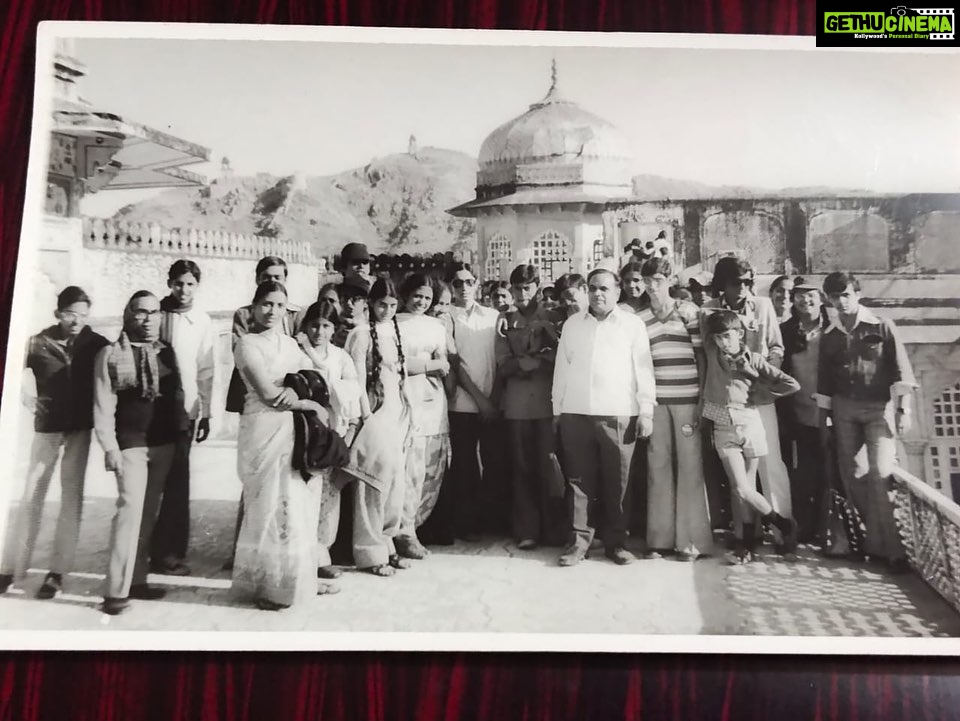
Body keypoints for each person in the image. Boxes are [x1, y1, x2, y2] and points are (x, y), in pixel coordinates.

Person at [232, 281, 335, 610]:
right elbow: (269, 394)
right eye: (266, 304)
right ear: (253, 308)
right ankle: (269, 586)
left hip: (292, 433)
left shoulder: (291, 344)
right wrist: (308, 405)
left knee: (296, 503)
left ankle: (299, 578)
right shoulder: (246, 344)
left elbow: (312, 380)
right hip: (263, 430)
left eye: (279, 305)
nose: (272, 311)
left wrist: (304, 396)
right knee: (269, 506)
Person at [0, 287, 109, 599]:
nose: (76, 321)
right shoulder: (36, 342)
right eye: (71, 314)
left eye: (83, 315)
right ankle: (10, 569)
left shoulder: (96, 343)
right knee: (30, 496)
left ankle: (57, 574)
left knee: (70, 498)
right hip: (47, 428)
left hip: (80, 430)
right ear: (58, 313)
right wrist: (24, 395)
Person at [552, 267, 657, 567]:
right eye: (593, 288)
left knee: (619, 483)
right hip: (576, 412)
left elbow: (644, 370)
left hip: (619, 413)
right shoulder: (573, 324)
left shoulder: (632, 325)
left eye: (605, 289)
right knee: (578, 482)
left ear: (617, 292)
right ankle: (578, 543)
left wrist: (646, 410)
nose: (598, 294)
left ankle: (617, 544)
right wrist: (556, 409)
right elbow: (562, 367)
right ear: (586, 290)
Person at [815, 272, 917, 573]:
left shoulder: (882, 326)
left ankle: (895, 552)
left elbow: (901, 371)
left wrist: (904, 409)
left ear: (857, 294)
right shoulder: (830, 334)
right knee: (854, 476)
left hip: (878, 408)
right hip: (843, 410)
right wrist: (824, 423)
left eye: (846, 294)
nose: (841, 301)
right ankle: (875, 544)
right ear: (828, 300)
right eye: (835, 296)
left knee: (881, 472)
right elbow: (824, 382)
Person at [93, 292, 188, 615]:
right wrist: (109, 447)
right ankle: (114, 592)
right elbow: (103, 406)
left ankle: (137, 581)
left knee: (148, 515)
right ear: (128, 314)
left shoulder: (166, 351)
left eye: (154, 313)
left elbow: (177, 396)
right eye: (141, 313)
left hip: (163, 444)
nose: (148, 319)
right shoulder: (110, 354)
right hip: (130, 444)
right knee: (129, 512)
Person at [703, 257, 793, 550]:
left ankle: (781, 532)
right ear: (722, 284)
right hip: (727, 404)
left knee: (770, 465)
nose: (742, 288)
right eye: (735, 282)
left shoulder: (763, 306)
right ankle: (745, 535)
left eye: (747, 282)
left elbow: (776, 347)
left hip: (758, 398)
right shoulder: (709, 312)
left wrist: (763, 379)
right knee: (738, 476)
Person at [637, 257, 713, 561]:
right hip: (657, 403)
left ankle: (691, 542)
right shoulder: (640, 318)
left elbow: (702, 358)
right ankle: (659, 540)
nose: (651, 286)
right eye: (647, 281)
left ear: (669, 281)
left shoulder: (689, 312)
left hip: (688, 401)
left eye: (657, 280)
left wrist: (702, 400)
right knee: (657, 468)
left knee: (691, 468)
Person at [341, 278, 413, 576]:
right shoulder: (360, 335)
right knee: (372, 483)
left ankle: (388, 542)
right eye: (382, 304)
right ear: (370, 303)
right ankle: (370, 552)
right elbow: (355, 379)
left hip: (397, 413)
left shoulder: (396, 333)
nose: (387, 310)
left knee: (396, 483)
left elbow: (402, 376)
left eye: (393, 305)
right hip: (373, 414)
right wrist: (366, 416)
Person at [149, 260, 216, 577]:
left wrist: (206, 412)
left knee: (177, 482)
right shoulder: (154, 316)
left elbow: (206, 370)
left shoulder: (202, 322)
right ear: (169, 284)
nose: (184, 290)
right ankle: (142, 548)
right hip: (151, 410)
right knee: (149, 482)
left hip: (184, 412)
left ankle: (170, 552)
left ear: (197, 286)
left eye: (190, 284)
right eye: (178, 283)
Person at [496, 264, 565, 550]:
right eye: (517, 288)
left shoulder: (552, 317)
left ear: (537, 286)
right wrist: (531, 362)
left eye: (527, 287)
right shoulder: (505, 320)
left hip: (547, 403)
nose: (522, 294)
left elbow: (561, 355)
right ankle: (527, 530)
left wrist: (533, 361)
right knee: (522, 467)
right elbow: (502, 364)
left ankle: (553, 530)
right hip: (517, 405)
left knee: (549, 466)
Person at [294, 299, 362, 581]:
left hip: (334, 432)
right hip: (303, 432)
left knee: (329, 497)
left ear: (334, 329)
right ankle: (300, 556)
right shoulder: (298, 354)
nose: (319, 332)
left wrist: (347, 434)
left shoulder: (340, 357)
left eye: (325, 326)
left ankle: (322, 555)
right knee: (301, 495)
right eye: (314, 325)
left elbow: (354, 393)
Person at [394, 274, 452, 559]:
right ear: (406, 295)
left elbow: (446, 364)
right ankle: (403, 530)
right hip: (405, 398)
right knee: (408, 467)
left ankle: (418, 525)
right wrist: (429, 365)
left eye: (427, 298)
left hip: (434, 401)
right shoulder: (393, 323)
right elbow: (395, 363)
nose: (422, 302)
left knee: (431, 464)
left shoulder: (436, 326)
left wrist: (433, 366)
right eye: (417, 295)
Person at [443, 262, 501, 541]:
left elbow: (501, 358)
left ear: (477, 283)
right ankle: (465, 523)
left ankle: (492, 521)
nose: (463, 287)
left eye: (468, 281)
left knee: (494, 461)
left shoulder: (493, 316)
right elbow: (454, 363)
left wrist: (493, 400)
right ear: (450, 287)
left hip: (493, 401)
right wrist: (480, 401)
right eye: (457, 283)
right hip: (463, 404)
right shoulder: (447, 317)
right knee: (465, 464)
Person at [778, 277, 832, 545]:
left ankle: (829, 532)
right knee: (801, 476)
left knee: (830, 474)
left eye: (810, 295)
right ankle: (803, 529)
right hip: (797, 417)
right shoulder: (786, 331)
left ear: (821, 299)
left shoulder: (833, 328)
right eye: (798, 295)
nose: (804, 300)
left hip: (830, 417)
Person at [332, 276, 370, 349]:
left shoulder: (370, 328)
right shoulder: (332, 325)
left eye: (355, 299)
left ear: (365, 302)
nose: (348, 303)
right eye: (345, 298)